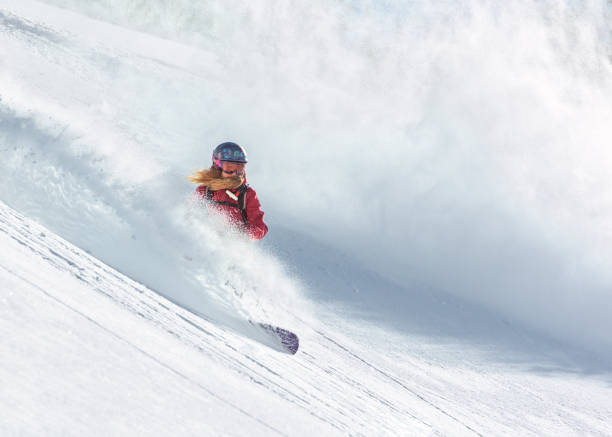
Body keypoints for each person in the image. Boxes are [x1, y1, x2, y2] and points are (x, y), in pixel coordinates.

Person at [189, 142, 268, 240]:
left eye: (240, 168)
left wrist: (243, 234)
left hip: (232, 246)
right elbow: (191, 214)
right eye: (229, 168)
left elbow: (260, 227)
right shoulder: (205, 190)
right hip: (205, 240)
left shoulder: (247, 194)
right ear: (217, 166)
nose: (235, 173)